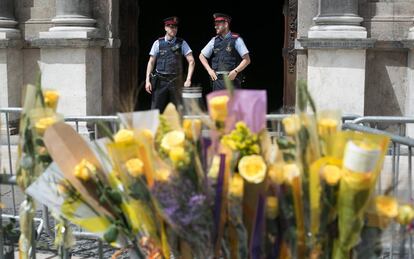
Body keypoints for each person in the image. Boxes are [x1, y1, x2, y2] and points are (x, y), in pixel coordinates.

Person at [145, 16, 195, 111]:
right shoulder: (158, 43)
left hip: (176, 81)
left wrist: (188, 79)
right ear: (166, 28)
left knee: (179, 109)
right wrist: (147, 80)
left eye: (175, 27)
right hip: (160, 81)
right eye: (171, 27)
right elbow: (151, 62)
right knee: (155, 109)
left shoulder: (182, 43)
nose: (174, 29)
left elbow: (191, 61)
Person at [199, 13, 251, 91]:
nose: (215, 26)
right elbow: (201, 56)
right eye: (215, 24)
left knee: (233, 103)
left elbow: (247, 60)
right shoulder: (214, 40)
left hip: (232, 81)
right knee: (218, 103)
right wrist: (209, 70)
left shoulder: (236, 39)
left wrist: (235, 71)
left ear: (226, 24)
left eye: (218, 24)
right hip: (217, 82)